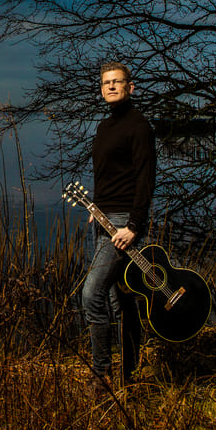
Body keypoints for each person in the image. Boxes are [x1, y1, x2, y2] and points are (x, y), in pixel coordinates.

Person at [82, 61, 156, 389]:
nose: (111, 86)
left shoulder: (139, 126)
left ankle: (101, 374)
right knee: (117, 298)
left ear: (130, 86)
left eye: (117, 81)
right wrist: (96, 208)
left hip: (125, 223)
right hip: (104, 219)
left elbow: (145, 178)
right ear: (101, 88)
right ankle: (128, 369)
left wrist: (135, 224)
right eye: (106, 82)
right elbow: (108, 176)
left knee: (92, 293)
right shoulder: (104, 128)